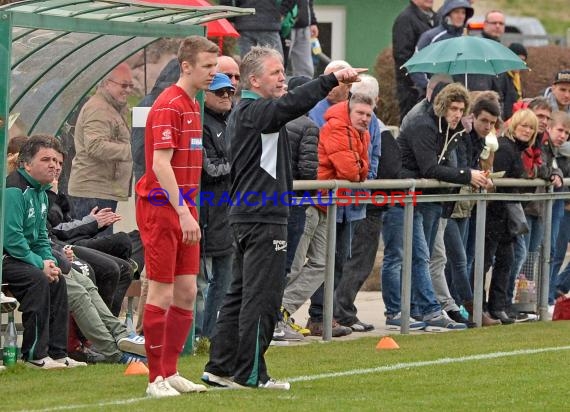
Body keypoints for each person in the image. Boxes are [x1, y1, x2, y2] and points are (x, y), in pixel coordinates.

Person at [202, 46, 364, 390]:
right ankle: (251, 374)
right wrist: (330, 79)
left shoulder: (251, 111)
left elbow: (288, 106)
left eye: (282, 72)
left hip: (252, 214)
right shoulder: (254, 110)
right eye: (275, 73)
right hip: (261, 217)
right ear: (255, 80)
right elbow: (291, 105)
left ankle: (219, 368)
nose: (282, 78)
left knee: (240, 294)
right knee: (261, 298)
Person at [135, 35, 219, 398]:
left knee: (187, 292)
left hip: (185, 208)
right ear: (186, 66)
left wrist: (189, 210)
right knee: (163, 292)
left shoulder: (193, 104)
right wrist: (184, 212)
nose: (213, 74)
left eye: (215, 67)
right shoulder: (169, 103)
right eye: (207, 67)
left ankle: (171, 371)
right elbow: (159, 165)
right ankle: (155, 379)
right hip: (162, 207)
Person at [2, 135, 84, 369]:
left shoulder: (40, 192)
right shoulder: (14, 189)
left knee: (56, 278)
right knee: (38, 279)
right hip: (6, 257)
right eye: (46, 159)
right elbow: (12, 239)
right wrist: (39, 264)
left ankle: (57, 354)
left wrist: (48, 260)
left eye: (58, 162)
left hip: (23, 256)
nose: (54, 166)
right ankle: (34, 355)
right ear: (27, 164)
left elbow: (39, 236)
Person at [68, 63, 134, 234]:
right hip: (93, 192)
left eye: (131, 86)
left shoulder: (110, 107)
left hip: (100, 190)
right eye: (123, 85)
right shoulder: (99, 109)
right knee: (95, 250)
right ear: (106, 83)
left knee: (98, 248)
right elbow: (95, 146)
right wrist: (132, 150)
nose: (128, 90)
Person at [200, 73, 236, 339]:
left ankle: (213, 335)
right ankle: (199, 335)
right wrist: (239, 165)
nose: (226, 97)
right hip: (206, 212)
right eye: (220, 92)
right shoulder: (201, 124)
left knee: (225, 280)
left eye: (230, 92)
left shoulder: (231, 121)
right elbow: (209, 169)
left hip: (228, 212)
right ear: (205, 94)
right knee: (201, 281)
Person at [411, 0, 474, 97]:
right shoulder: (431, 37)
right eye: (456, 12)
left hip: (462, 99)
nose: (460, 16)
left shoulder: (467, 38)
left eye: (463, 12)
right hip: (436, 98)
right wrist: (429, 88)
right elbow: (415, 66)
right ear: (448, 14)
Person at [392, 0, 439, 120]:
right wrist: (418, 84)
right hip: (413, 89)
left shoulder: (437, 19)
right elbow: (402, 56)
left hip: (434, 86)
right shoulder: (406, 19)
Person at [220, 0, 291, 58]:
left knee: (247, 62)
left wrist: (231, 19)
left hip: (244, 21)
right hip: (269, 22)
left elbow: (226, 1)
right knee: (275, 60)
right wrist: (282, 12)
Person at [286, 0, 318, 78]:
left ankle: (305, 89)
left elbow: (308, 2)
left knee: (305, 69)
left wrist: (312, 22)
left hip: (304, 27)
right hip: (285, 26)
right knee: (278, 63)